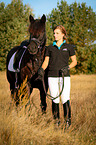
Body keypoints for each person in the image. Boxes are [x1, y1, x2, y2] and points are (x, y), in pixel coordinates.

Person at [38, 25, 77, 129]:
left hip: (65, 77)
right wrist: (41, 69)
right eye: (54, 33)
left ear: (63, 34)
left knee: (65, 98)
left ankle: (68, 122)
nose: (55, 35)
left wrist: (67, 68)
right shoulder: (50, 48)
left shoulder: (69, 47)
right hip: (52, 76)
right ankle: (57, 122)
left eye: (57, 33)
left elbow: (74, 62)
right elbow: (46, 61)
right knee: (54, 99)